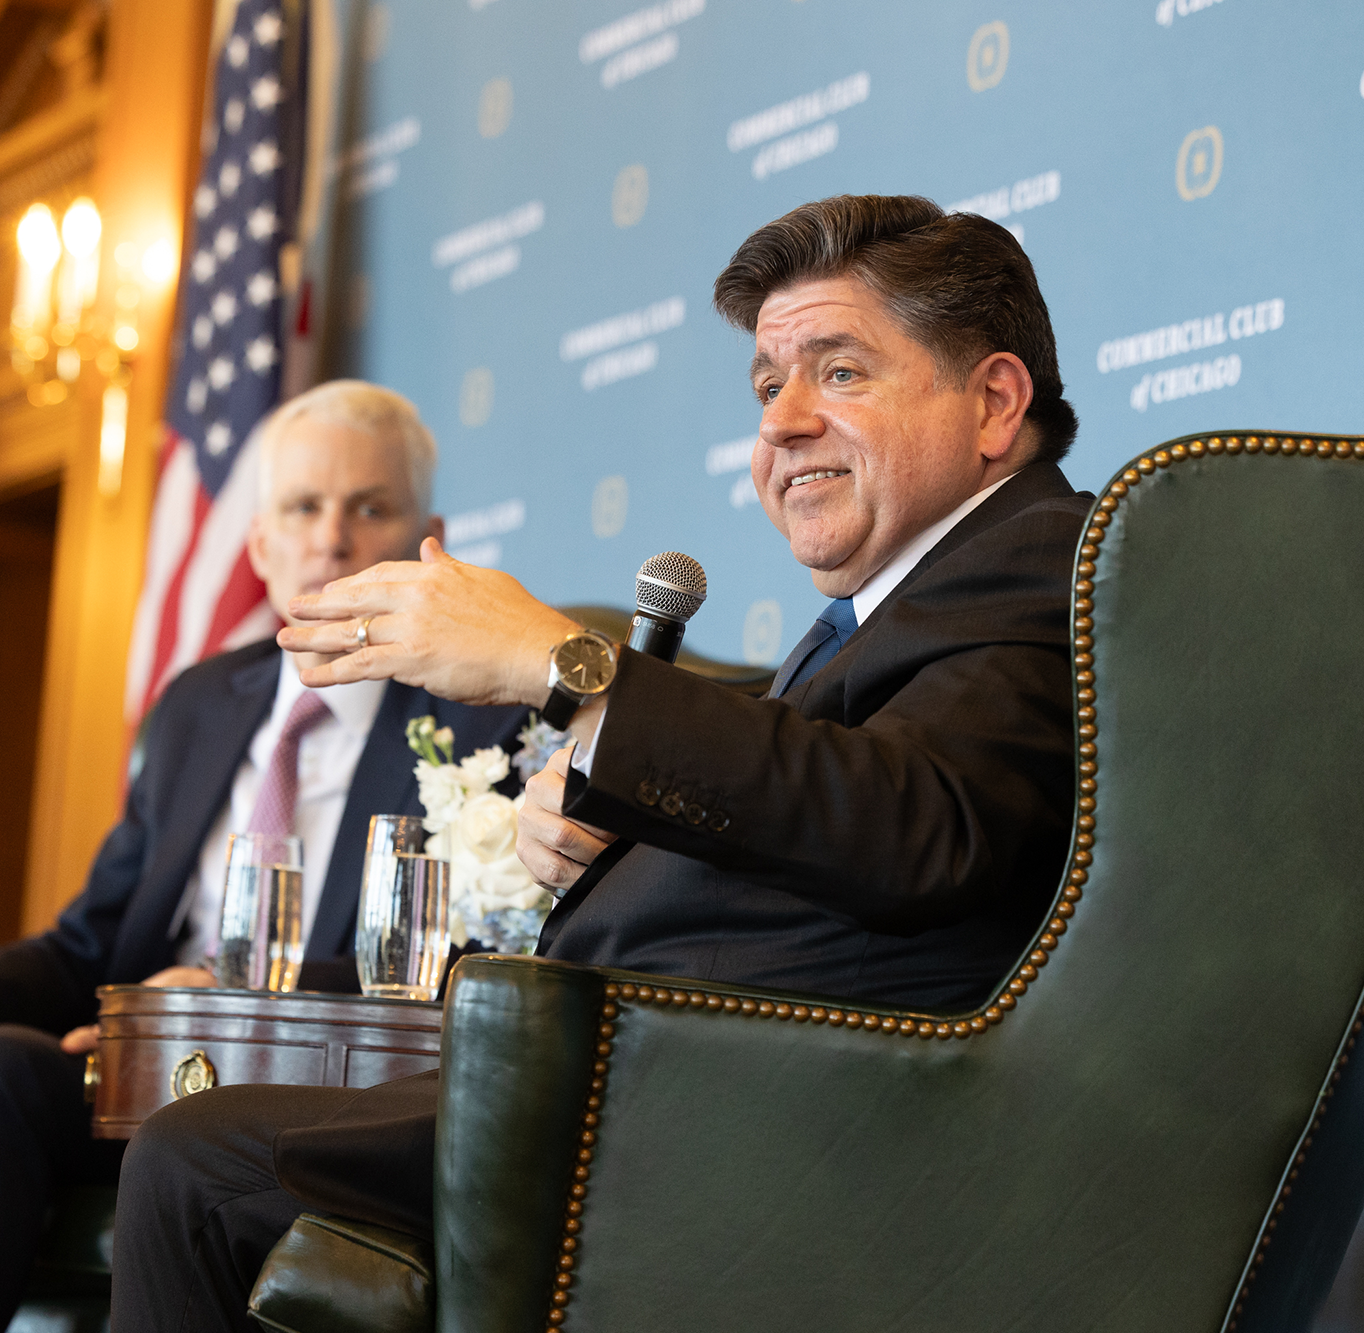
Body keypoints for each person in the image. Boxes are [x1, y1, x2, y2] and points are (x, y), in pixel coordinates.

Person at [106, 195, 1094, 1332]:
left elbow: (923, 830)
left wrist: (563, 664)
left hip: (744, 1115)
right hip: (660, 1081)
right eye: (768, 385)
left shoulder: (1034, 565)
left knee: (186, 1160)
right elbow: (818, 818)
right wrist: (608, 841)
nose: (781, 425)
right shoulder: (904, 603)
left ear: (993, 401)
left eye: (839, 371)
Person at [0, 381, 528, 1333]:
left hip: (250, 1102)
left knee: (1, 1073)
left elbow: (457, 977)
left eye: (370, 507)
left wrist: (213, 1003)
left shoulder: (476, 725)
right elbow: (88, 946)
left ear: (426, 536)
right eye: (303, 508)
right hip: (93, 1073)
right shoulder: (199, 706)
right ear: (262, 545)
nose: (333, 537)